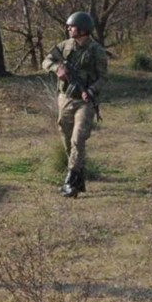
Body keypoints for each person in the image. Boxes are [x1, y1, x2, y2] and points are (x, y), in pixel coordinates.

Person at [42, 11, 108, 198]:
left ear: (83, 30)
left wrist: (92, 91)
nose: (69, 29)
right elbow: (46, 60)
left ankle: (70, 181)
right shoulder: (64, 46)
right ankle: (79, 177)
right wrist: (57, 69)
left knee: (78, 139)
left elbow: (104, 77)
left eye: (72, 27)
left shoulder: (97, 51)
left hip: (85, 102)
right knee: (66, 136)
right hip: (65, 98)